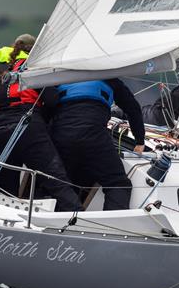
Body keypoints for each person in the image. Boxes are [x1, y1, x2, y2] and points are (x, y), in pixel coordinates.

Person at [0, 34, 83, 212]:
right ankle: (77, 218)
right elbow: (51, 100)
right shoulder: (33, 66)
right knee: (56, 180)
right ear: (34, 52)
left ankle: (8, 226)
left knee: (6, 190)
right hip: (28, 127)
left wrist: (0, 121)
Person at [48, 79, 145, 211]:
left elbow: (46, 106)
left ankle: (60, 222)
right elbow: (133, 109)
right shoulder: (109, 78)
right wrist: (139, 141)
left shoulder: (62, 78)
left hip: (61, 135)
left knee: (64, 183)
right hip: (94, 135)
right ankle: (110, 228)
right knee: (117, 183)